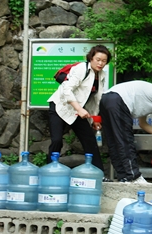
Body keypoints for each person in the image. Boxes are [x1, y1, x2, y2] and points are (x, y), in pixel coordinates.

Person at [47, 45, 112, 181]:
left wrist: (94, 119)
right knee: (57, 140)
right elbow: (66, 89)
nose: (100, 63)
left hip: (78, 111)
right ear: (91, 58)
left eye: (104, 61)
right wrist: (78, 109)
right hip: (60, 106)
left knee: (90, 141)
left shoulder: (101, 75)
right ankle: (49, 171)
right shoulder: (81, 69)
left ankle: (99, 175)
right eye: (98, 59)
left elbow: (96, 99)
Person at [99, 81, 152, 183]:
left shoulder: (149, 96)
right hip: (119, 100)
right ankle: (134, 176)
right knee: (125, 140)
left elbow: (142, 124)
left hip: (105, 99)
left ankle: (123, 177)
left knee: (113, 141)